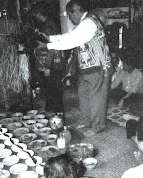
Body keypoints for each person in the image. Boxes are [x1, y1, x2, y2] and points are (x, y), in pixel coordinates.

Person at [36, 0, 111, 135]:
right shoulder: (84, 23)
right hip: (86, 67)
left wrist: (47, 46)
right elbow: (71, 36)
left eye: (69, 16)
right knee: (83, 95)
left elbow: (72, 41)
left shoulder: (88, 23)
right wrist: (51, 38)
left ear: (75, 12)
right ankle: (87, 121)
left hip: (97, 67)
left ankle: (97, 126)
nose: (69, 19)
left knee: (96, 97)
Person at [31, 4, 65, 113]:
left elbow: (52, 47)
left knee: (53, 89)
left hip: (53, 63)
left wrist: (47, 66)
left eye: (35, 14)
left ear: (38, 14)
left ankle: (56, 112)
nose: (34, 17)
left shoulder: (48, 26)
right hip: (54, 62)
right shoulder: (48, 23)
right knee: (53, 89)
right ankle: (53, 110)